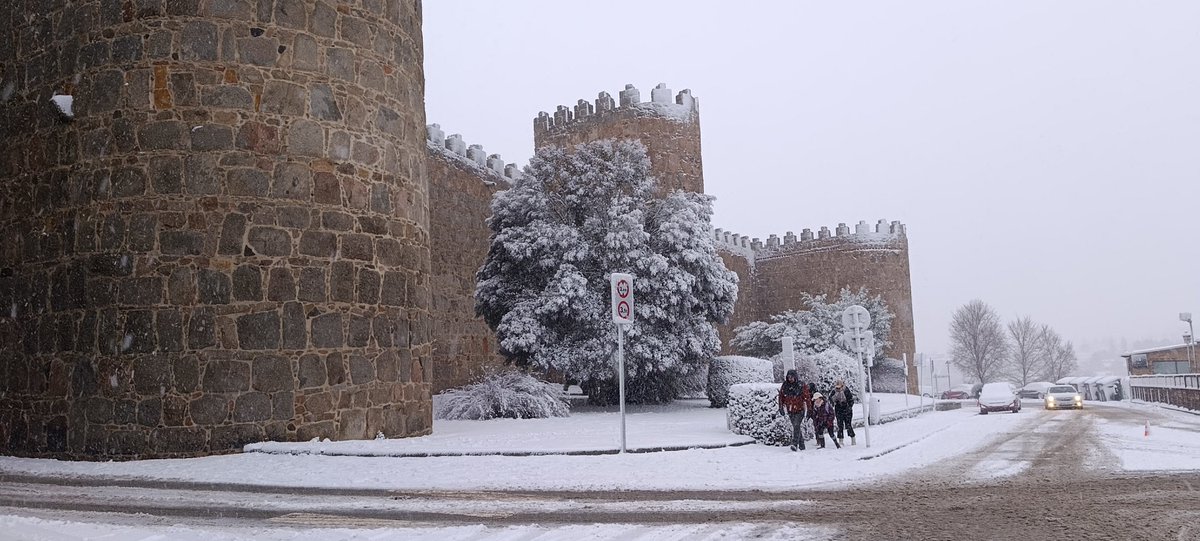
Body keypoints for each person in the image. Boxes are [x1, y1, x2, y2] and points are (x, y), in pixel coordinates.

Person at [777, 369, 810, 451]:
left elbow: (807, 398)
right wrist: (781, 407)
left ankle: (795, 444)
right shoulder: (785, 385)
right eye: (789, 377)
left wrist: (809, 409)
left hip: (800, 409)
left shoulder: (801, 385)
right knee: (796, 428)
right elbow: (781, 397)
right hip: (790, 410)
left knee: (796, 425)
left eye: (792, 377)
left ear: (795, 377)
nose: (790, 379)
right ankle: (802, 445)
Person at [830, 378, 856, 446]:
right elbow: (830, 400)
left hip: (847, 410)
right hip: (838, 410)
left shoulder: (846, 390)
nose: (838, 388)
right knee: (840, 425)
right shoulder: (834, 391)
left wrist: (849, 406)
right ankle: (841, 440)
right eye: (837, 387)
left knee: (848, 425)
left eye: (839, 387)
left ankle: (853, 438)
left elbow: (851, 400)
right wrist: (834, 400)